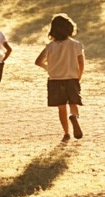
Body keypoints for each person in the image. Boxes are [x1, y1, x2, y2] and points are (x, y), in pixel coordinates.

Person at [34, 13, 85, 141]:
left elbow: (38, 61)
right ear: (70, 28)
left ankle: (66, 133)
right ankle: (73, 116)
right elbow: (81, 63)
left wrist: (48, 68)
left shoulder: (50, 46)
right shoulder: (76, 45)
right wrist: (78, 77)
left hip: (55, 80)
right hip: (72, 78)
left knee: (61, 108)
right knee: (73, 104)